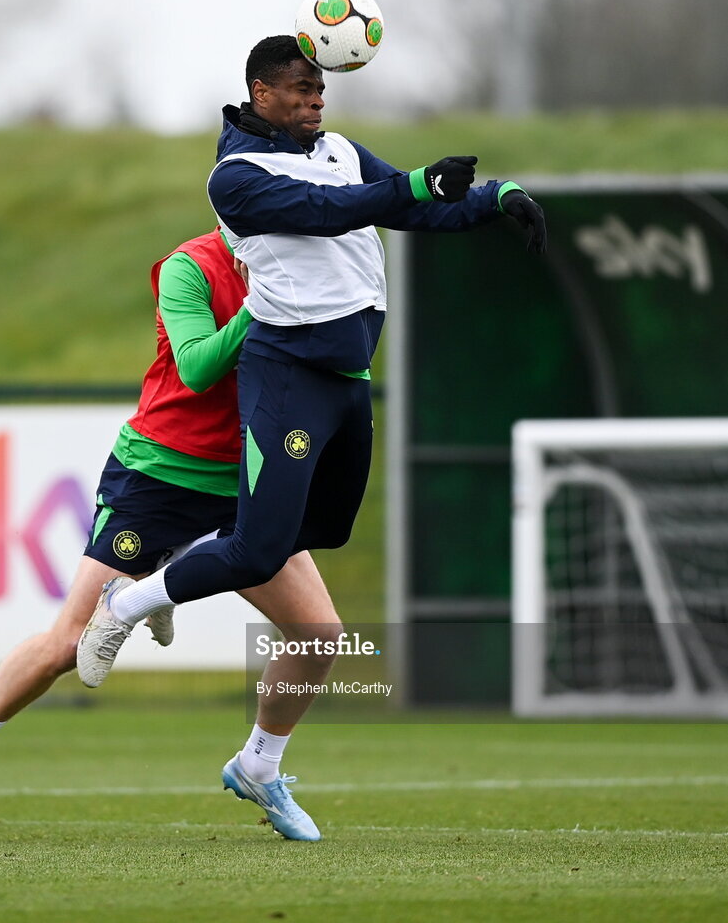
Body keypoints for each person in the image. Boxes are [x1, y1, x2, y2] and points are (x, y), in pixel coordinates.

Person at [77, 37, 547, 683]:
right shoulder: (235, 178)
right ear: (260, 94)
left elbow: (412, 205)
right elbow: (327, 212)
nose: (316, 101)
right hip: (287, 371)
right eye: (301, 90)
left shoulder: (341, 152)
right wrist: (414, 183)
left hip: (346, 376)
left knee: (320, 530)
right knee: (257, 551)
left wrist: (495, 199)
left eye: (321, 90)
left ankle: (184, 582)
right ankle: (127, 602)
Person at [0, 225, 346, 846]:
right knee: (69, 644)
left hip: (246, 477)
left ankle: (259, 765)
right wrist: (266, 306)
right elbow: (199, 368)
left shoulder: (305, 263)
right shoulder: (190, 267)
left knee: (319, 637)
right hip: (160, 477)